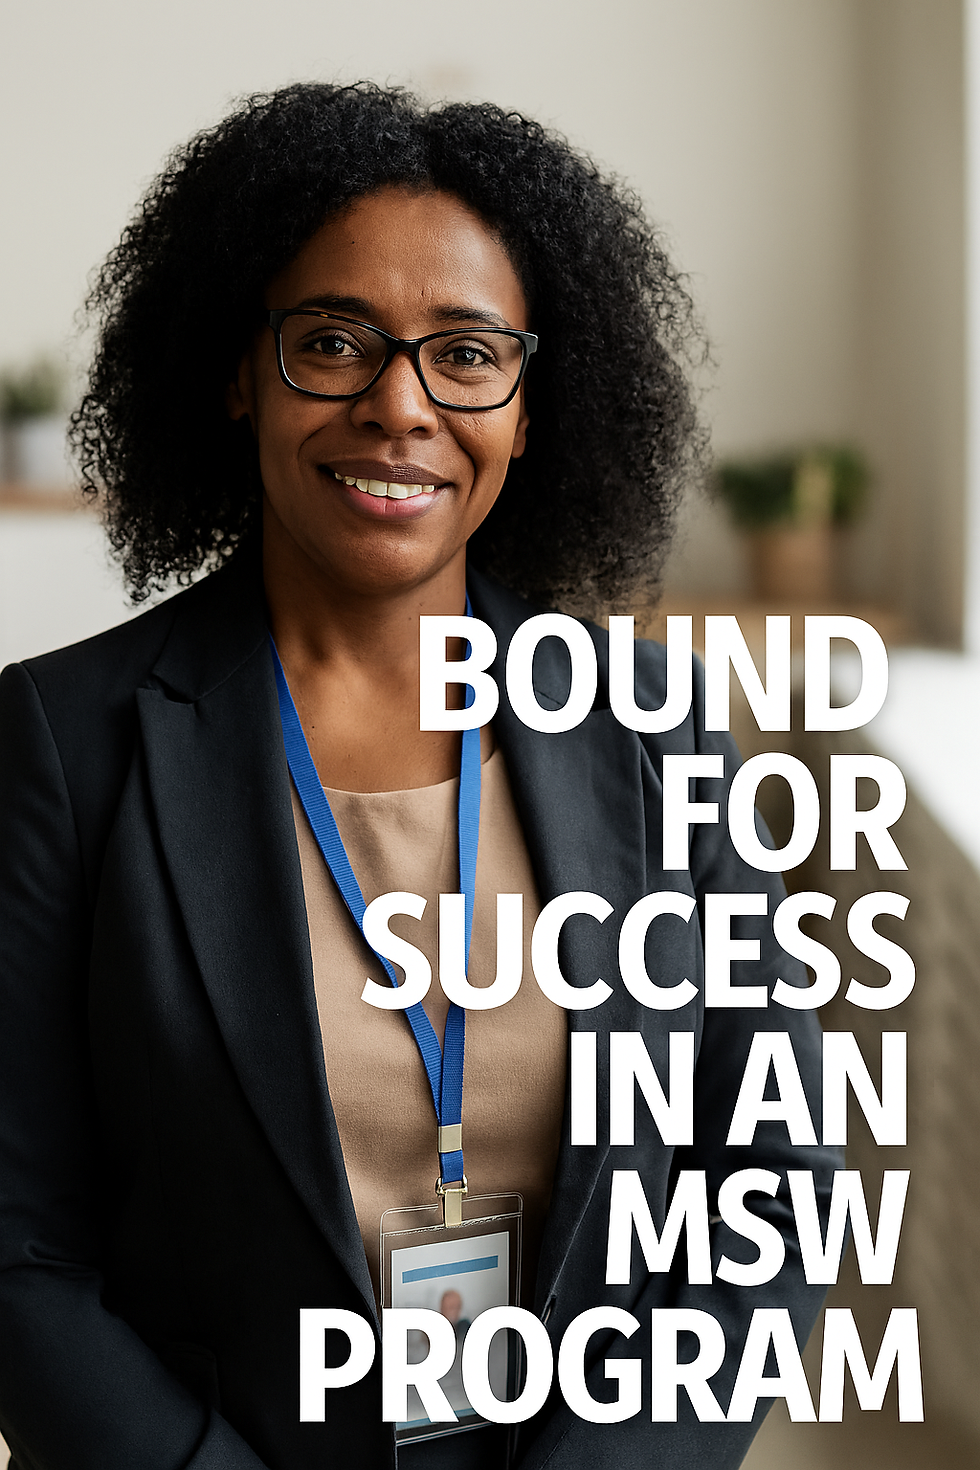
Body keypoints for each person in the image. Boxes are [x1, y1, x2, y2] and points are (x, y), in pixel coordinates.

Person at [0, 82, 836, 1470]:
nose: (400, 404)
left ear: (526, 402)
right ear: (235, 368)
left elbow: (775, 1185)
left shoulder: (661, 735)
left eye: (465, 354)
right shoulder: (57, 745)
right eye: (333, 340)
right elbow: (17, 1250)